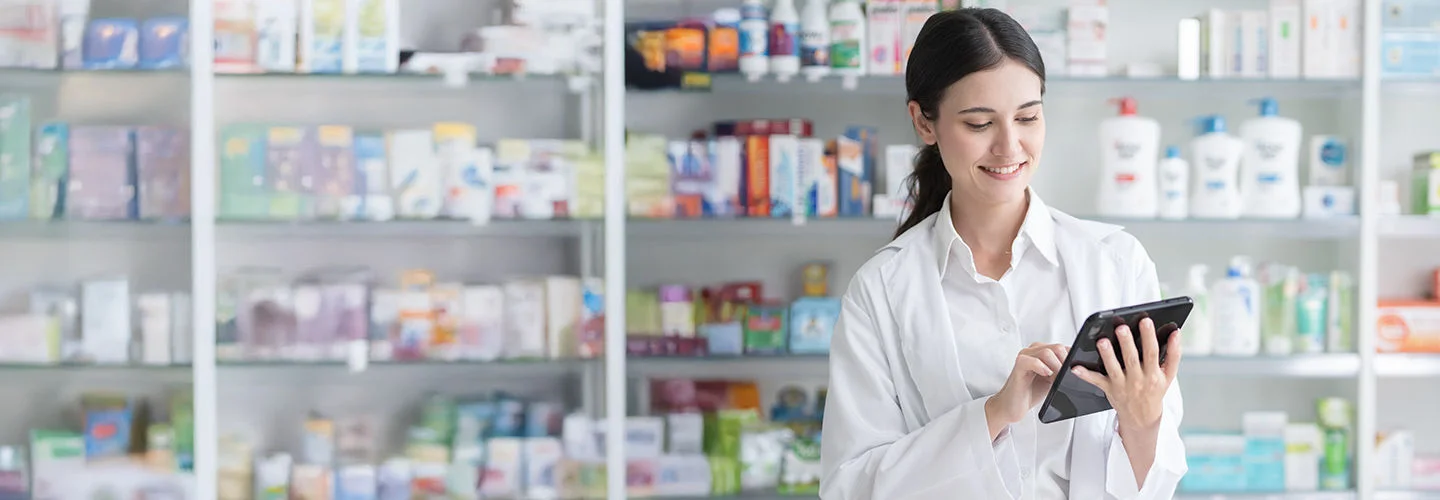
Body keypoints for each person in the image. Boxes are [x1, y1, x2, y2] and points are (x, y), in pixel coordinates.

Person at [819, 8, 1186, 500]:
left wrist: (1143, 421)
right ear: (923, 122)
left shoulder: (1115, 262)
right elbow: (849, 487)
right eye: (978, 123)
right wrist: (993, 414)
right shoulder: (882, 289)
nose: (1009, 146)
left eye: (1028, 117)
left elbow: (1156, 480)